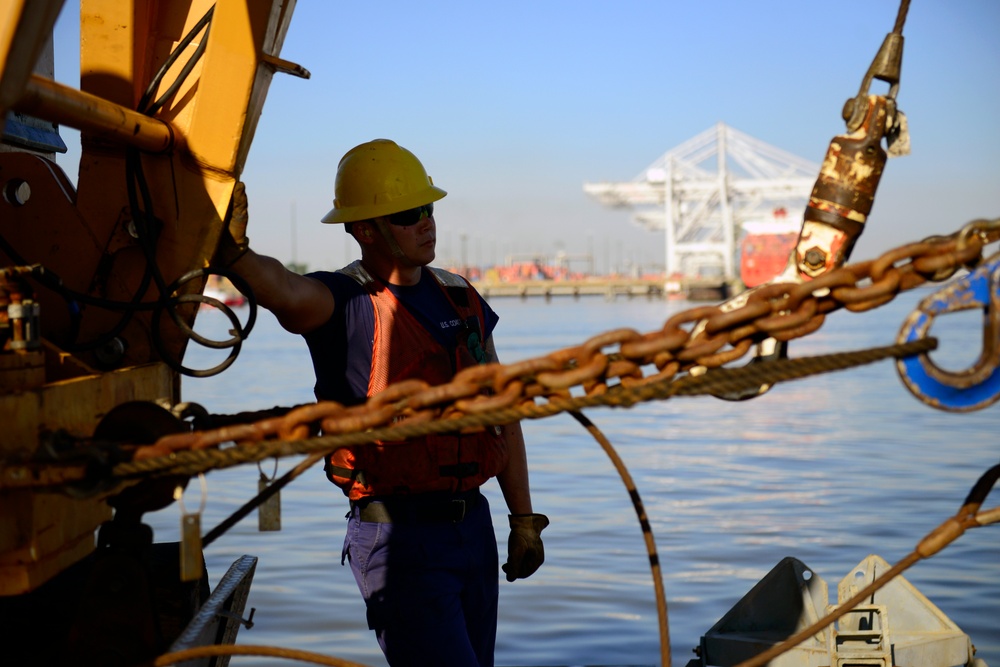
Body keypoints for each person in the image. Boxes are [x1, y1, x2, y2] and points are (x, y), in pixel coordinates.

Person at [218, 138, 549, 667]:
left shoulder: (458, 296)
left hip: (474, 529)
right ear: (364, 229)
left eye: (429, 207)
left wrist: (523, 519)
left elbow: (502, 413)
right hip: (401, 539)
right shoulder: (344, 301)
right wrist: (233, 254)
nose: (427, 221)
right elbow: (283, 290)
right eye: (408, 213)